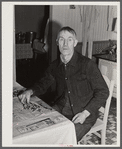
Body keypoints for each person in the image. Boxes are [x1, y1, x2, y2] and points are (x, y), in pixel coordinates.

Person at [18, 26, 109, 142]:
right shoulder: (54, 65)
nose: (65, 44)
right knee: (40, 131)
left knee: (64, 139)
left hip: (83, 113)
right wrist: (30, 91)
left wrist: (85, 114)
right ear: (57, 42)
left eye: (69, 39)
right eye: (61, 39)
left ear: (75, 43)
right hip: (61, 108)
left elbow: (103, 92)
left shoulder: (87, 65)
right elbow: (44, 83)